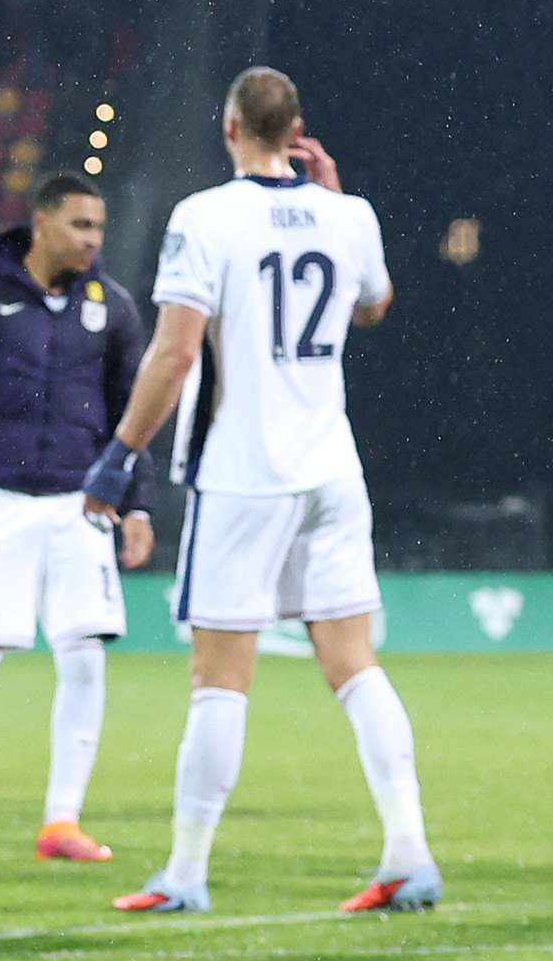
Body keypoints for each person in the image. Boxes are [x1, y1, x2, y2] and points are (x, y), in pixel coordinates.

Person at [93, 69, 435, 916]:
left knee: (219, 679)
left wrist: (121, 453)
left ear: (232, 126)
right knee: (354, 665)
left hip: (245, 475)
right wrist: (334, 202)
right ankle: (409, 854)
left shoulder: (205, 218)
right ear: (298, 129)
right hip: (332, 469)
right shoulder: (348, 214)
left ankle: (185, 872)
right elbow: (373, 306)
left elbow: (174, 355)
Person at [0, 174, 153, 863]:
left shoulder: (112, 306)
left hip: (83, 503)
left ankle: (61, 821)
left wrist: (137, 503)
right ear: (41, 225)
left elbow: (136, 411)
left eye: (98, 228)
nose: (92, 241)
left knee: (84, 655)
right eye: (80, 225)